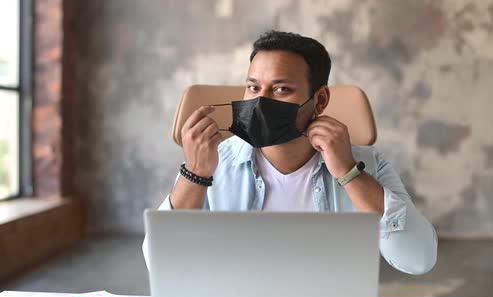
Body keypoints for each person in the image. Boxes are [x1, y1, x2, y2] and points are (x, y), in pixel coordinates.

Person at [144, 30, 437, 275]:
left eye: (281, 89)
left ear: (320, 100)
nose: (261, 102)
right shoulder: (214, 163)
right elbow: (159, 264)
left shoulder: (367, 164)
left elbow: (418, 260)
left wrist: (349, 174)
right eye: (253, 87)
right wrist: (194, 174)